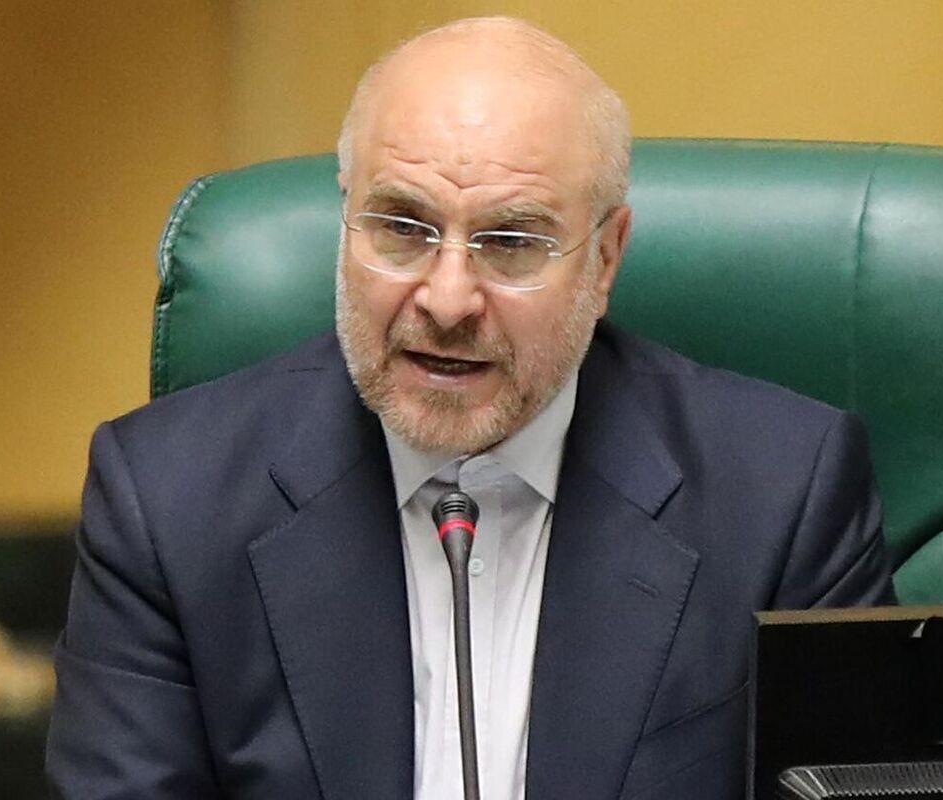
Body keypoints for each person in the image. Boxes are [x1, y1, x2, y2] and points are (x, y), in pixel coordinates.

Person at [46, 16, 894, 800]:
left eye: (512, 242)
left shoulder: (784, 498)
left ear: (604, 259)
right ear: (345, 220)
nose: (447, 300)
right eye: (401, 226)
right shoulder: (165, 500)